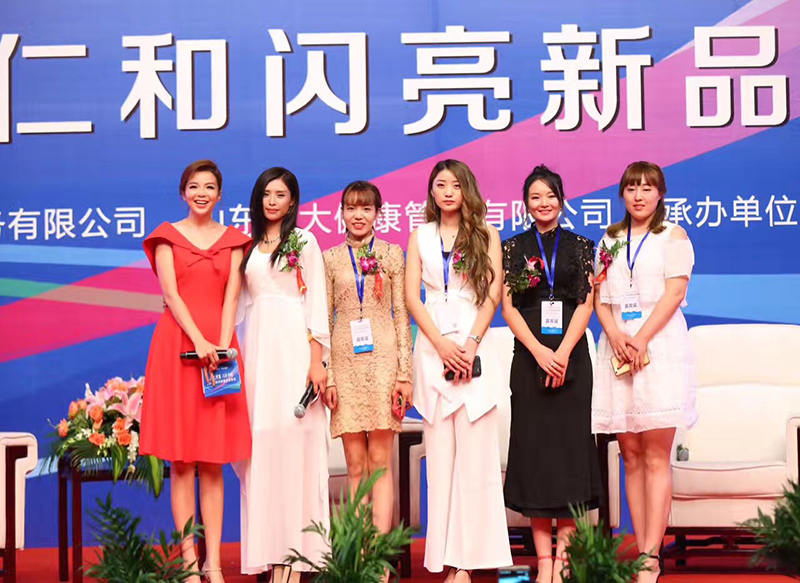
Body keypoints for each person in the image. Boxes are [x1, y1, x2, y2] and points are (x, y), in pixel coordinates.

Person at [141, 159, 252, 583]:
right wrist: (199, 342)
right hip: (178, 348)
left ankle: (214, 563)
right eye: (193, 186)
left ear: (219, 195)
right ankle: (189, 562)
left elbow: (232, 296)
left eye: (208, 187)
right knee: (183, 461)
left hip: (220, 353)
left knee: (213, 460)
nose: (201, 193)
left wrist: (220, 345)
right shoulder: (166, 237)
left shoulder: (235, 241)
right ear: (183, 193)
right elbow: (170, 295)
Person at [405, 159, 512, 582]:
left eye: (455, 185)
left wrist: (469, 344)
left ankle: (468, 562)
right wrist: (440, 344)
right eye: (440, 185)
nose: (447, 192)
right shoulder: (420, 236)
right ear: (431, 192)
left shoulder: (486, 233)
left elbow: (493, 294)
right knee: (441, 464)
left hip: (473, 350)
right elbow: (412, 298)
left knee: (475, 462)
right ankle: (446, 561)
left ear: (467, 189)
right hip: (434, 349)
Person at [592, 161, 696, 583]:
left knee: (655, 456)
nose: (638, 195)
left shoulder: (673, 236)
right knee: (631, 457)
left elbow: (675, 292)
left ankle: (652, 556)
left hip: (658, 345)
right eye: (631, 188)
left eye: (647, 188)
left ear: (660, 194)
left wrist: (641, 338)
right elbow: (599, 297)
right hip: (618, 348)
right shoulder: (610, 239)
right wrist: (616, 334)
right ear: (622, 194)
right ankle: (640, 551)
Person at [501, 165, 602, 583]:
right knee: (536, 457)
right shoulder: (513, 247)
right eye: (535, 197)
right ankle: (544, 561)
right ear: (525, 203)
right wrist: (540, 352)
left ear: (562, 200)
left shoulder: (581, 246)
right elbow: (508, 308)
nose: (543, 203)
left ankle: (564, 560)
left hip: (571, 358)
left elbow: (586, 303)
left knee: (570, 457)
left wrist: (560, 353)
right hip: (529, 359)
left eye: (550, 196)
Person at [235, 167, 330, 583]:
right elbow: (234, 306)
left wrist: (317, 361)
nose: (272, 201)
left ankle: (295, 560)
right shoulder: (247, 247)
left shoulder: (304, 241)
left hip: (295, 351)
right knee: (262, 448)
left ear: (293, 201)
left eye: (280, 194)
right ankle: (271, 555)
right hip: (259, 354)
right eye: (266, 194)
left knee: (296, 448)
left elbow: (317, 304)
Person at [323, 181, 413, 544]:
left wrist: (404, 373)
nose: (358, 215)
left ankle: (378, 556)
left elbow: (402, 315)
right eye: (351, 208)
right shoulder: (330, 259)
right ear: (341, 213)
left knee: (380, 463)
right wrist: (328, 376)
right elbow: (322, 320)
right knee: (355, 465)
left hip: (383, 364)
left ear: (378, 213)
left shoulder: (392, 254)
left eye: (365, 208)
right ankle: (357, 555)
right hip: (344, 364)